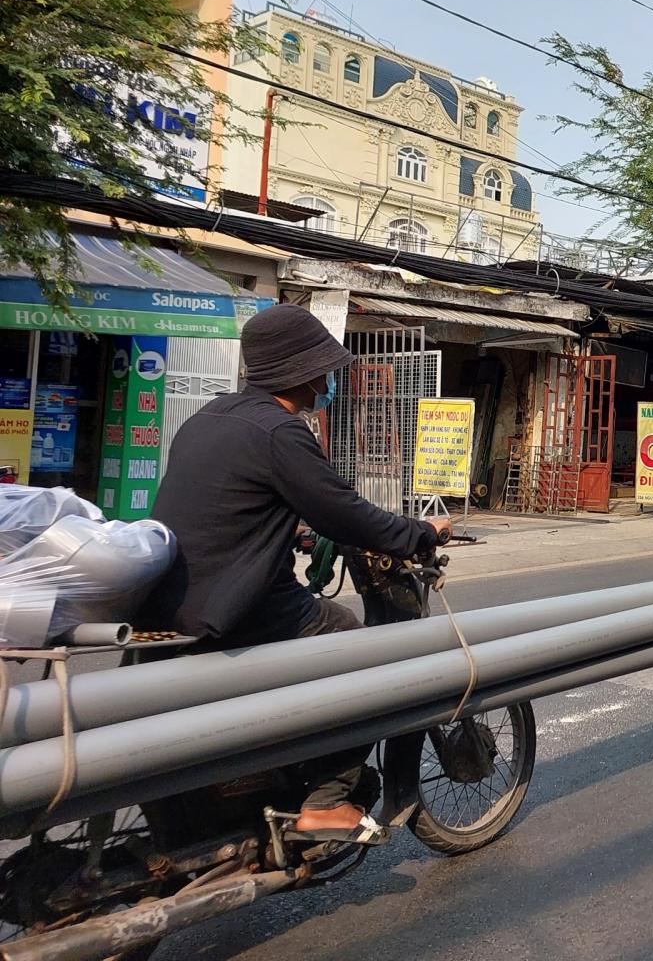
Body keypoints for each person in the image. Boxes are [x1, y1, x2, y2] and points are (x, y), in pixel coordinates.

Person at [142, 303, 446, 845]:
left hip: (167, 595)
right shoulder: (281, 432)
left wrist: (293, 531)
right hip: (230, 603)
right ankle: (326, 801)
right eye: (323, 369)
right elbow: (344, 512)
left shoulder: (208, 418)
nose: (328, 380)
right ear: (303, 371)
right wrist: (419, 533)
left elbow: (232, 508)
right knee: (353, 641)